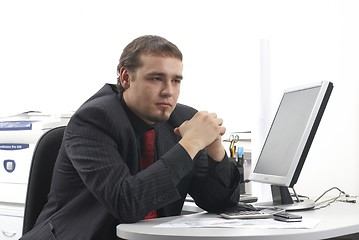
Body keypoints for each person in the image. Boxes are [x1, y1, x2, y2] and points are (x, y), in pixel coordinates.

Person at [21, 35, 240, 239]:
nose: (168, 91)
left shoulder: (183, 118)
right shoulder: (93, 119)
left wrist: (215, 150)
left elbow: (219, 203)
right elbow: (127, 203)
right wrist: (190, 144)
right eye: (156, 78)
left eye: (176, 81)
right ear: (126, 77)